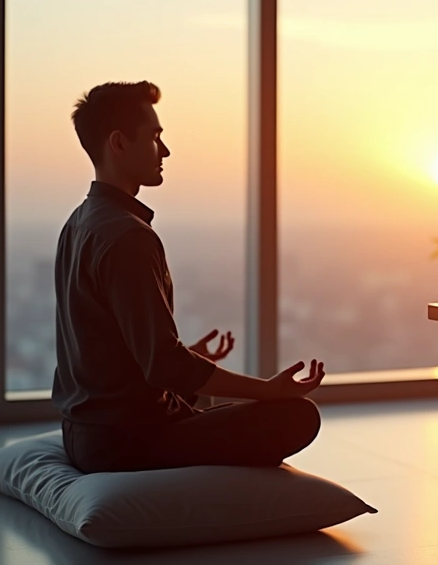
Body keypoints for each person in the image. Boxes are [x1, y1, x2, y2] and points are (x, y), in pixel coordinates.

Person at [52, 80, 325, 473]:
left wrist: (191, 355)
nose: (165, 150)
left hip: (82, 434)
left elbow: (112, 348)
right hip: (126, 442)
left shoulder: (78, 223)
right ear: (118, 143)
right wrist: (266, 390)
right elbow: (164, 367)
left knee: (213, 400)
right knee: (298, 416)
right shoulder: (129, 237)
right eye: (155, 137)